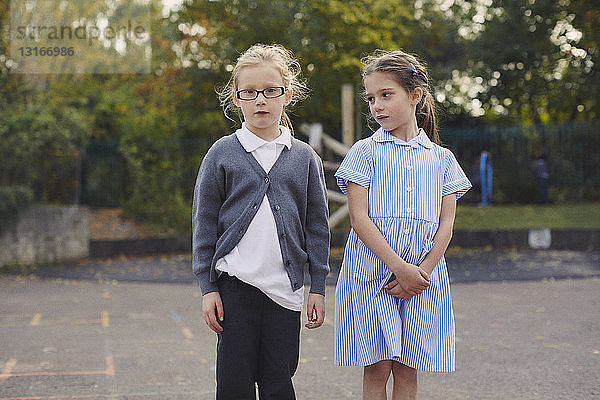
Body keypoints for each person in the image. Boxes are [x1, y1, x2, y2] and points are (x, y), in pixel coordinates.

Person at [192, 43, 330, 400]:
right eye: (249, 93)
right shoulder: (221, 153)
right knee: (234, 385)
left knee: (278, 382)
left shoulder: (304, 158)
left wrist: (317, 285)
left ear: (287, 94)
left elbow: (317, 227)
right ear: (236, 98)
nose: (261, 101)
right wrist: (208, 288)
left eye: (271, 91)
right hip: (234, 288)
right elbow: (204, 224)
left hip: (285, 292)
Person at [334, 50, 472, 400]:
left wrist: (420, 272)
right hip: (372, 273)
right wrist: (399, 267)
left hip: (424, 279)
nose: (376, 105)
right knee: (378, 368)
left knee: (408, 369)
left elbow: (446, 224)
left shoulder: (442, 160)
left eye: (385, 94)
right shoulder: (365, 152)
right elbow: (359, 218)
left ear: (415, 95)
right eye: (370, 98)